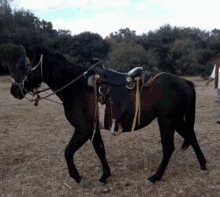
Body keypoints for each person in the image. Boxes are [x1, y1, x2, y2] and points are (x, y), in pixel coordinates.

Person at [206, 53, 220, 123]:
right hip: (218, 87)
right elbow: (213, 75)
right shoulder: (217, 66)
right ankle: (218, 119)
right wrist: (208, 82)